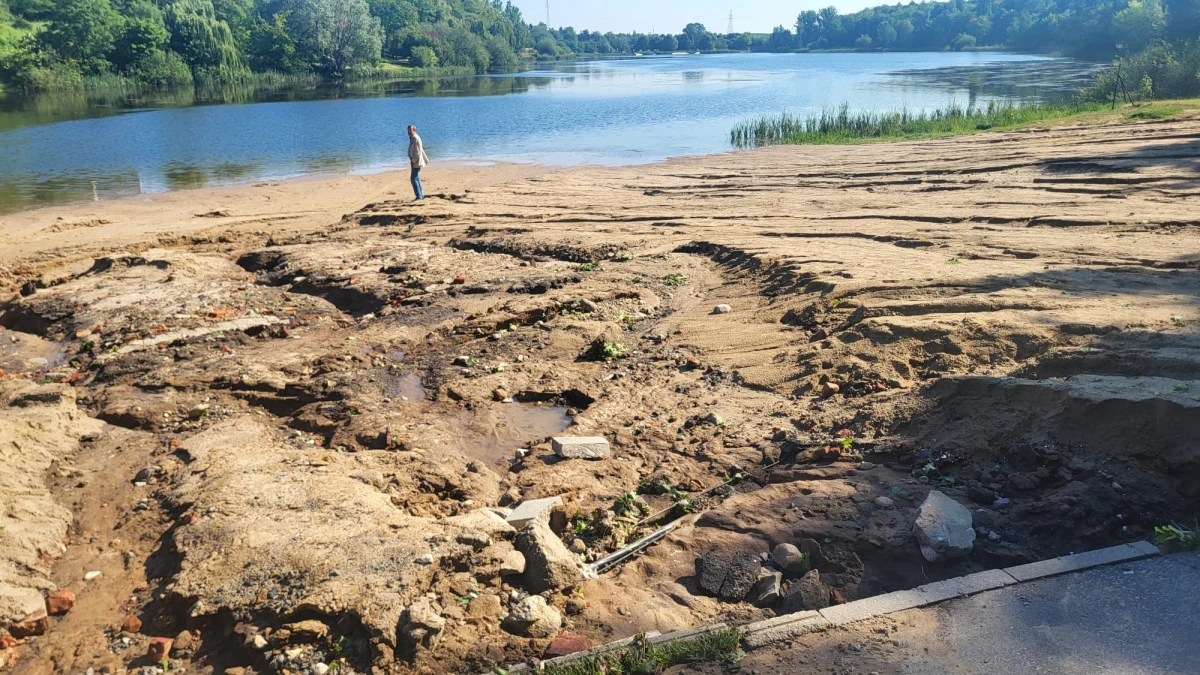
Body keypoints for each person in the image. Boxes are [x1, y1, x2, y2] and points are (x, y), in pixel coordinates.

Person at [407, 125, 429, 201]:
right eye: (408, 130)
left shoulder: (415, 138)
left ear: (414, 130)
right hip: (415, 161)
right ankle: (421, 195)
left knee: (413, 179)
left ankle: (419, 196)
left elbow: (417, 153)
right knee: (416, 178)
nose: (409, 132)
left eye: (410, 130)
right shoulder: (412, 138)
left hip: (416, 161)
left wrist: (413, 161)